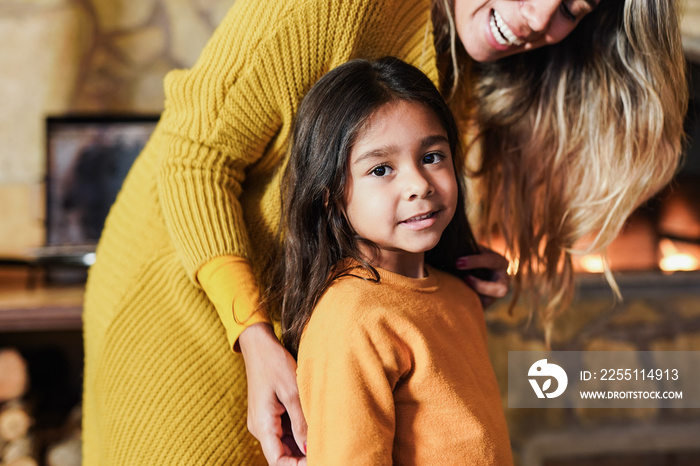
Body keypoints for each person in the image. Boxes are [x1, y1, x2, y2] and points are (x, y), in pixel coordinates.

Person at [82, 0, 687, 464]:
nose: (536, 18)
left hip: (298, 306)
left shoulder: (472, 54)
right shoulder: (333, 10)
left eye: (571, 10)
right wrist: (253, 336)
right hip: (180, 292)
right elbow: (194, 159)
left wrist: (459, 258)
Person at [265, 56, 513, 464]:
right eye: (381, 169)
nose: (419, 184)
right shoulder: (352, 318)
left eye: (432, 156)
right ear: (329, 193)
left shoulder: (458, 294)